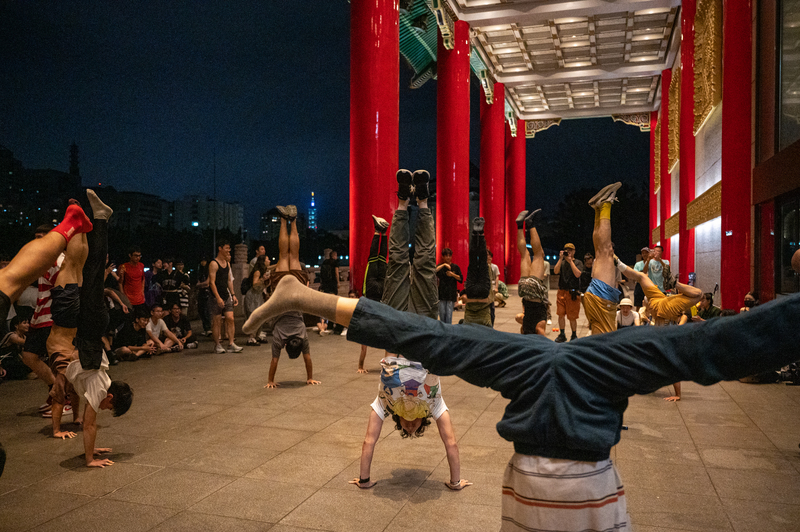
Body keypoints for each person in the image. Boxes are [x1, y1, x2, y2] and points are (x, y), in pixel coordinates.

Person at [243, 247, 800, 532]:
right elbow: (715, 346)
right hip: (583, 456)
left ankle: (308, 297)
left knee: (439, 339)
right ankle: (305, 296)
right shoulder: (610, 356)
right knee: (697, 346)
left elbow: (429, 337)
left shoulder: (544, 351)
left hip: (534, 439)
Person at [264, 204, 319, 388]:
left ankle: (292, 220)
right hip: (281, 290)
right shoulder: (279, 337)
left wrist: (309, 377)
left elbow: (308, 359)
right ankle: (282, 219)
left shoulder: (303, 335)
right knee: (283, 254)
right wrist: (270, 380)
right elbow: (274, 361)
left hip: (296, 291)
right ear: (286, 346)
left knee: (293, 256)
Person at [581, 182, 625, 336]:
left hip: (602, 298)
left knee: (606, 251)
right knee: (600, 252)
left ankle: (605, 204)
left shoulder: (601, 348)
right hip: (597, 299)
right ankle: (598, 209)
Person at [358, 215, 389, 373]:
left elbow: (365, 349)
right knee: (374, 258)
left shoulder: (375, 327)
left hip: (380, 291)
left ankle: (383, 232)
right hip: (370, 292)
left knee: (382, 258)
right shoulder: (370, 327)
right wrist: (360, 366)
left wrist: (361, 367)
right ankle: (379, 231)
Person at [515, 209, 549, 336]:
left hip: (535, 292)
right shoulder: (525, 327)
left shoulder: (538, 327)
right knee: (524, 255)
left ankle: (530, 224)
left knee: (539, 254)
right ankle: (519, 226)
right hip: (523, 289)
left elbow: (541, 334)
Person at [208, 240, 243, 354]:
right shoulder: (214, 263)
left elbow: (229, 280)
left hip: (226, 294)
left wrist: (233, 294)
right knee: (217, 321)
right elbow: (212, 282)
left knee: (230, 319)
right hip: (215, 296)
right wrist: (217, 297)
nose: (228, 250)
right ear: (220, 248)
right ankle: (217, 344)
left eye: (229, 248)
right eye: (226, 248)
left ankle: (231, 343)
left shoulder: (227, 264)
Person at [461, 218, 493, 327]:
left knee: (482, 262)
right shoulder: (468, 322)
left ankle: (480, 233)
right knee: (473, 261)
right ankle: (476, 234)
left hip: (483, 292)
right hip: (472, 292)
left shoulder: (485, 323)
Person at [553, 243, 583, 342]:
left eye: (570, 250)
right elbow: (556, 271)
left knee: (572, 316)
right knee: (560, 314)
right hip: (561, 291)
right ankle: (562, 334)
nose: (568, 252)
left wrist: (570, 262)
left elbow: (578, 274)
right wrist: (560, 259)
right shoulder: (561, 262)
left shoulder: (578, 262)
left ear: (574, 251)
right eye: (566, 250)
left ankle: (574, 335)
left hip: (572, 293)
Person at [243, 258, 268, 345]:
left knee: (260, 317)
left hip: (258, 296)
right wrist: (263, 280)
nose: (269, 261)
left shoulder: (263, 272)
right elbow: (255, 285)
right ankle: (251, 338)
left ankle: (257, 336)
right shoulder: (257, 272)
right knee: (254, 316)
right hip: (253, 297)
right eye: (267, 260)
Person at [435, 248, 462, 324]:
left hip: (451, 294)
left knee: (449, 315)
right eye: (446, 255)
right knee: (442, 315)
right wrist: (444, 265)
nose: (448, 257)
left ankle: (448, 331)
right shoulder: (440, 266)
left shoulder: (455, 267)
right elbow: (434, 271)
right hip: (441, 294)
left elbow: (461, 279)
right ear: (443, 257)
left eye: (449, 255)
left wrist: (452, 274)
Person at [119, 247, 146, 315]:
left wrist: (142, 292)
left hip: (140, 299)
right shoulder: (123, 267)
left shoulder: (141, 265)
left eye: (139, 256)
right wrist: (123, 297)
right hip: (128, 299)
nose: (138, 258)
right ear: (130, 255)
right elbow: (120, 282)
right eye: (136, 255)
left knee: (141, 319)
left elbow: (143, 279)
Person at [194, 258, 213, 336]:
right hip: (201, 292)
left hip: (207, 292)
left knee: (207, 310)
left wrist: (200, 284)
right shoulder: (200, 271)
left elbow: (208, 283)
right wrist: (201, 284)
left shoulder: (209, 270)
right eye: (202, 261)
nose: (203, 262)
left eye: (204, 261)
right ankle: (205, 328)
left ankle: (209, 328)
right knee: (201, 310)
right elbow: (197, 283)